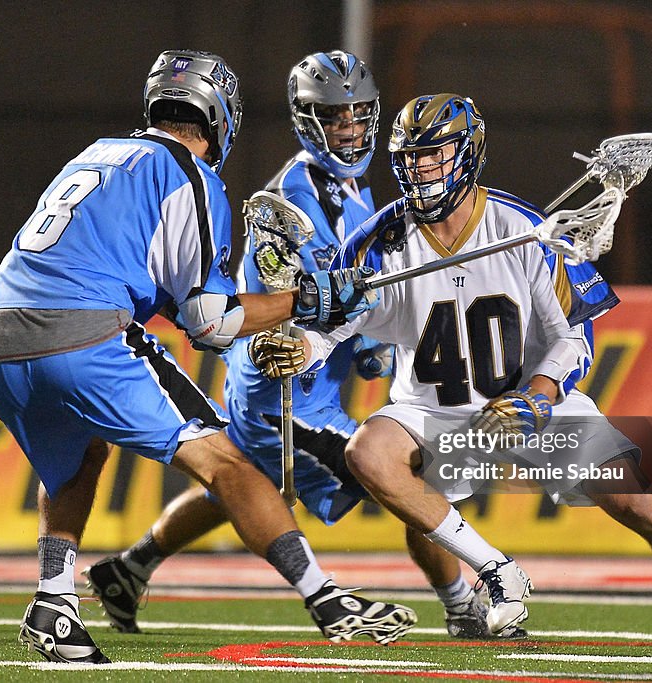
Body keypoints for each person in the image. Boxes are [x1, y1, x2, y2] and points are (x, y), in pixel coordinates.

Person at [251, 93, 652, 655]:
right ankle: (479, 589)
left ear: (468, 151)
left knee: (637, 502)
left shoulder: (524, 230)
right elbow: (334, 327)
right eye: (410, 156)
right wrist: (297, 349)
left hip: (528, 400)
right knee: (374, 458)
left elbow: (574, 336)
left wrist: (539, 397)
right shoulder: (378, 242)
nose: (420, 167)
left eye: (435, 153)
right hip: (433, 406)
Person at [0, 49, 417, 665]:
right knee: (228, 462)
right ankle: (328, 599)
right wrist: (307, 298)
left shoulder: (95, 153)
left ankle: (54, 602)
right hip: (83, 335)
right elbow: (211, 322)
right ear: (220, 113)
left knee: (78, 457)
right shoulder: (192, 177)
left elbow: (179, 304)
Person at [85, 51, 501, 641]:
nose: (350, 130)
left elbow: (349, 290)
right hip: (284, 390)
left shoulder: (351, 190)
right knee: (409, 474)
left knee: (240, 483)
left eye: (359, 116)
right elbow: (289, 301)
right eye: (335, 118)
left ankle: (130, 569)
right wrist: (338, 333)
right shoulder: (297, 196)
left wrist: (363, 334)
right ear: (307, 121)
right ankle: (463, 605)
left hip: (298, 387)